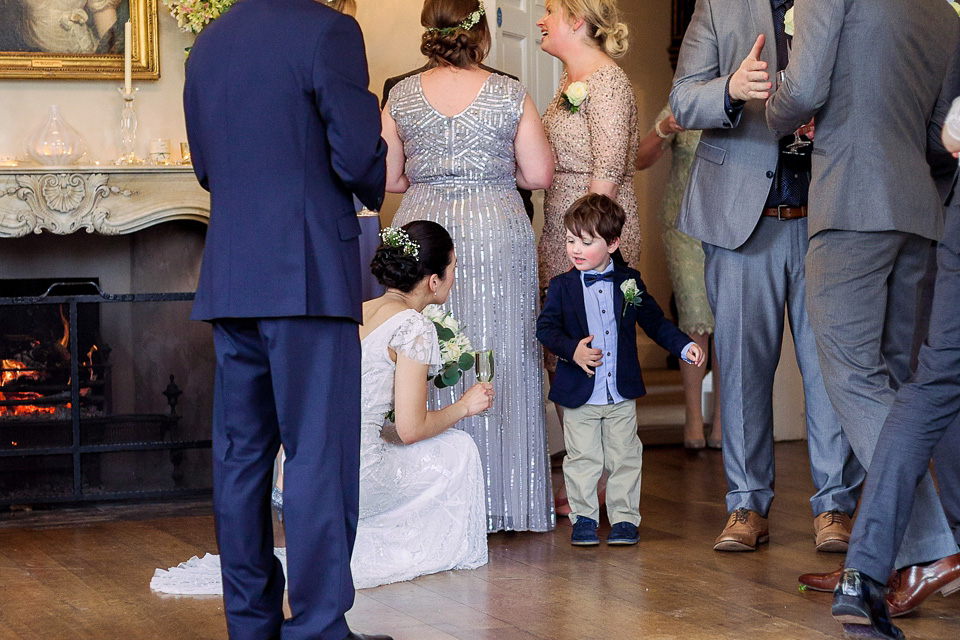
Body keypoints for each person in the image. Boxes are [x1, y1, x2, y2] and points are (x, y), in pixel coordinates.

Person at [182, 0, 388, 637]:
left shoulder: (209, 43)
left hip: (233, 273)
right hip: (307, 274)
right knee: (317, 457)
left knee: (241, 461)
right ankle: (320, 627)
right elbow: (357, 159)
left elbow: (206, 169)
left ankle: (250, 625)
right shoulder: (330, 30)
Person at [152, 221, 494, 594]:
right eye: (454, 267)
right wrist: (464, 406)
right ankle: (413, 546)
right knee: (459, 449)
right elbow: (412, 429)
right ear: (433, 280)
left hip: (309, 470)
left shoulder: (356, 310)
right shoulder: (414, 327)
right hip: (359, 478)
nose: (454, 277)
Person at [765, 0, 960, 622]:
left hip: (851, 198)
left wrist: (769, 104)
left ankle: (929, 549)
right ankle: (892, 554)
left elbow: (805, 90)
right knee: (908, 389)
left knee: (851, 374)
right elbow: (942, 136)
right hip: (919, 211)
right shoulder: (943, 11)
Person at [670, 0, 864, 554]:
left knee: (831, 369)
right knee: (741, 368)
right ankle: (746, 506)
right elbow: (683, 98)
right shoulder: (718, 7)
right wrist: (730, 89)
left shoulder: (841, 6)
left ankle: (834, 509)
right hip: (740, 222)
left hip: (827, 215)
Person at [382, 0, 556, 532]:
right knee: (500, 350)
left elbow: (389, 178)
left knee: (427, 351)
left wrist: (434, 180)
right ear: (481, 31)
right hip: (496, 230)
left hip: (425, 228)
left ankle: (437, 506)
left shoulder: (401, 95)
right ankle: (503, 497)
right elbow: (541, 173)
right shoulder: (508, 90)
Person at [537, 194, 705, 546]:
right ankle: (584, 518)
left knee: (625, 456)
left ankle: (625, 519)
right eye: (571, 240)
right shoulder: (562, 286)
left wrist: (682, 345)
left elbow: (655, 322)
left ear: (612, 243)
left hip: (620, 392)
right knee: (583, 458)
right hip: (579, 394)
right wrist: (573, 351)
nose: (575, 249)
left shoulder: (629, 282)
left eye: (586, 241)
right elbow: (546, 329)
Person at [535, 0, 635, 516]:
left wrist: (590, 251)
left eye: (549, 9)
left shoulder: (608, 82)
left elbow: (608, 172)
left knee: (598, 345)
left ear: (576, 19)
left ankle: (601, 491)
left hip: (592, 232)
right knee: (566, 349)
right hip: (563, 230)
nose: (540, 20)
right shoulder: (568, 83)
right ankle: (583, 481)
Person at [635, 106, 721, 450]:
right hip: (683, 224)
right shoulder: (685, 98)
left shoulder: (745, 96)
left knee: (727, 321)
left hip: (731, 223)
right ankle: (693, 420)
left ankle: (724, 423)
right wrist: (664, 127)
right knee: (695, 320)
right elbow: (640, 159)